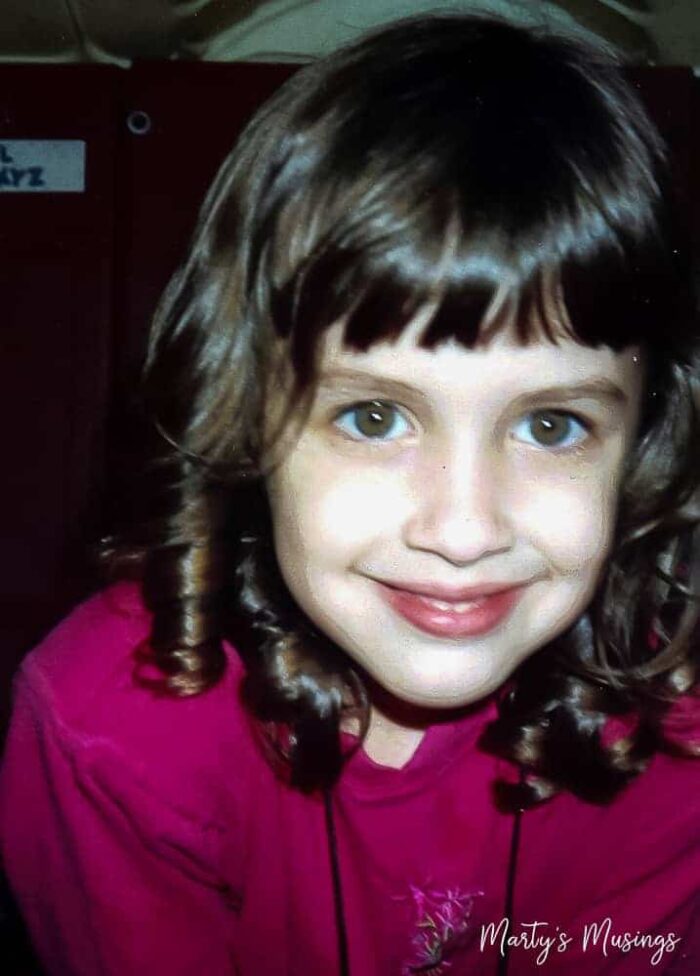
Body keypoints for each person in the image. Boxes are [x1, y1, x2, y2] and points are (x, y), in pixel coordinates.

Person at [1, 13, 698, 976]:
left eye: (551, 425)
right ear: (245, 418)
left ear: (643, 449)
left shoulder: (676, 738)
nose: (462, 530)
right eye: (374, 417)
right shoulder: (114, 729)